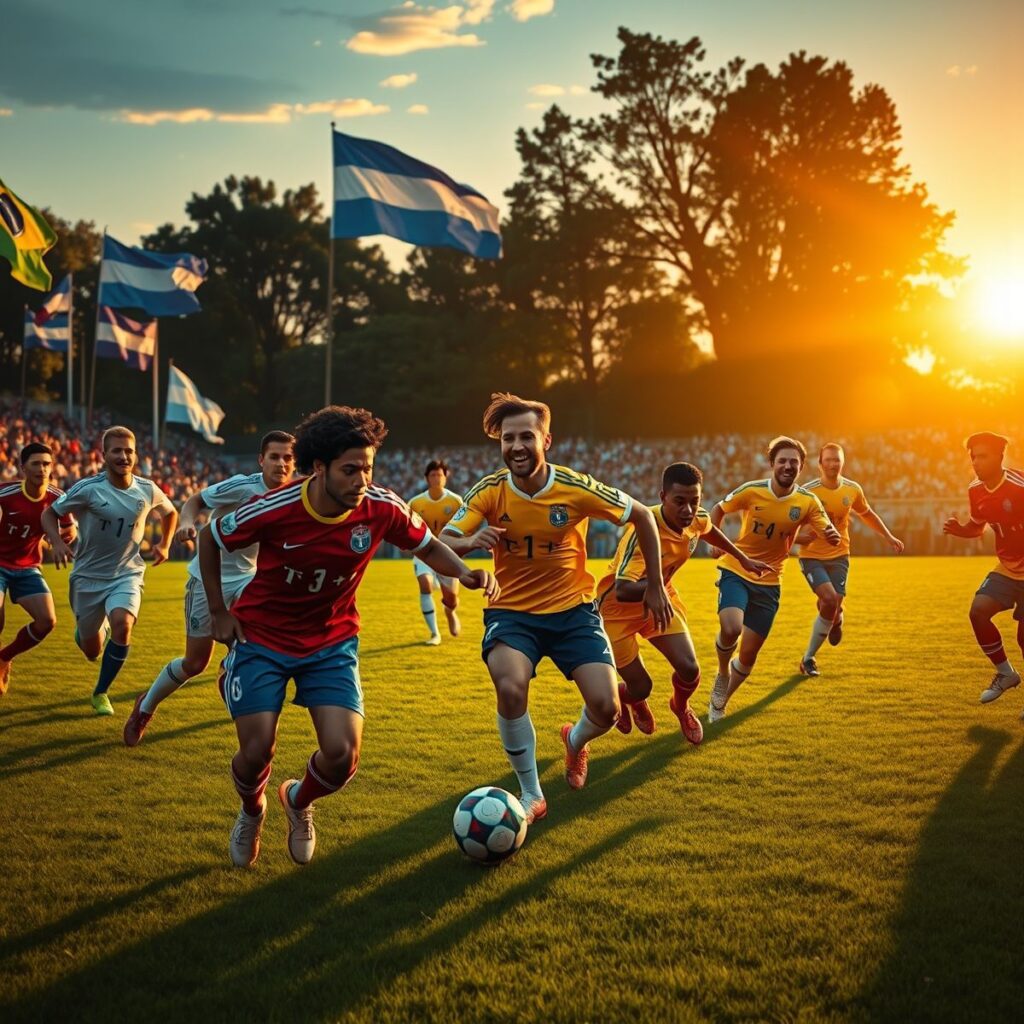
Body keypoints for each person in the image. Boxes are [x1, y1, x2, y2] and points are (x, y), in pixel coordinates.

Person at [199, 405, 498, 868]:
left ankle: (298, 800)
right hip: (263, 637)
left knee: (341, 756)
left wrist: (466, 573)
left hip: (331, 641)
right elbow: (210, 538)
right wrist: (218, 612)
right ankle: (251, 808)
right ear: (318, 468)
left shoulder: (382, 507)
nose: (362, 479)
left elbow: (428, 546)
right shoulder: (275, 508)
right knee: (256, 749)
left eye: (368, 468)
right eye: (350, 469)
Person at [442, 392, 672, 823]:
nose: (516, 447)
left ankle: (575, 741)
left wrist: (655, 586)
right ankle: (531, 793)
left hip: (573, 612)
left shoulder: (574, 487)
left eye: (526, 436)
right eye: (508, 439)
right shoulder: (489, 491)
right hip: (511, 613)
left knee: (607, 709)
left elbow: (643, 515)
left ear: (546, 441)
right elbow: (445, 540)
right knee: (510, 687)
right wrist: (470, 542)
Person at [122, 431, 296, 746]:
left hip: (248, 581)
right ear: (261, 460)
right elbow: (196, 500)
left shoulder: (293, 497)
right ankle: (144, 707)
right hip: (207, 578)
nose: (281, 464)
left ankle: (231, 671)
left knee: (258, 647)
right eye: (274, 456)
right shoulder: (243, 486)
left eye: (288, 458)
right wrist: (188, 523)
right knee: (194, 663)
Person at [598, 462, 771, 744]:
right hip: (617, 612)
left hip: (660, 600)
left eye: (695, 501)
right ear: (662, 496)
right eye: (680, 502)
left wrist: (742, 558)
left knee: (690, 669)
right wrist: (655, 589)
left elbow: (708, 528)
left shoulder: (694, 519)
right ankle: (628, 697)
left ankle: (680, 706)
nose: (688, 511)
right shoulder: (643, 531)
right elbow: (623, 589)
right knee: (641, 687)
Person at [42, 426, 177, 716]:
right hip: (88, 578)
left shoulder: (147, 488)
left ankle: (101, 692)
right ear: (104, 455)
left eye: (128, 450)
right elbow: (49, 512)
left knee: (123, 624)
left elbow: (170, 512)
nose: (123, 456)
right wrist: (56, 542)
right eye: (116, 450)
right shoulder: (89, 489)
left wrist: (165, 544)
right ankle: (88, 632)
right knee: (92, 650)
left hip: (127, 573)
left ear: (136, 454)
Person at [706, 436, 839, 722]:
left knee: (749, 656)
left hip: (770, 581)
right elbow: (718, 508)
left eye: (794, 462)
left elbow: (824, 525)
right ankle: (721, 672)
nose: (788, 466)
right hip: (737, 569)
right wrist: (713, 538)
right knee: (731, 628)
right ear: (772, 464)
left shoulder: (807, 501)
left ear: (801, 467)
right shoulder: (752, 490)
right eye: (782, 461)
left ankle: (719, 703)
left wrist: (830, 534)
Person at [795, 443, 904, 676]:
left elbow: (867, 514)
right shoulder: (807, 491)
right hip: (812, 556)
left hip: (840, 555)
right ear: (820, 464)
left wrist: (888, 536)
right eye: (829, 460)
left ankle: (835, 619)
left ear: (842, 462)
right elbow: (789, 522)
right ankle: (808, 659)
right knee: (829, 598)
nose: (833, 464)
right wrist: (800, 538)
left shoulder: (852, 489)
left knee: (830, 605)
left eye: (837, 460)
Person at [943, 431, 1024, 713]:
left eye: (983, 456)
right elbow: (977, 527)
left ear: (1001, 456)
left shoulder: (1020, 484)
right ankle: (1006, 673)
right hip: (1008, 567)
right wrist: (960, 530)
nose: (976, 462)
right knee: (978, 610)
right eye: (973, 457)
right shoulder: (975, 489)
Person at [0, 443, 76, 695]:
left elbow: (70, 528)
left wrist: (59, 541)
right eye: (35, 464)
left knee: (47, 621)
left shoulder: (57, 497)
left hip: (28, 566)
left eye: (46, 464)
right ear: (23, 468)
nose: (42, 469)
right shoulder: (5, 493)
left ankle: (5, 657)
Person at [408, 459, 463, 645]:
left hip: (447, 553)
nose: (436, 478)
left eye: (440, 474)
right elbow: (407, 527)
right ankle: (434, 634)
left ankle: (450, 612)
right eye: (433, 475)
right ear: (426, 478)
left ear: (445, 478)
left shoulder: (455, 501)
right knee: (424, 583)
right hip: (423, 552)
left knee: (451, 599)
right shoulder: (415, 503)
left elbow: (464, 527)